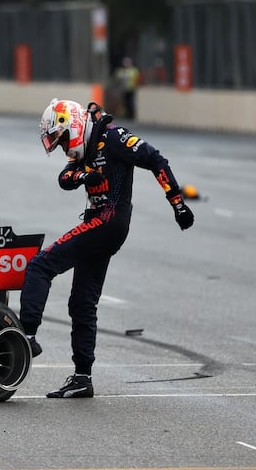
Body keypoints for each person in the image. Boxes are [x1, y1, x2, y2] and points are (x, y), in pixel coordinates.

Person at [22, 98, 194, 398]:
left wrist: (177, 203)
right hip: (101, 224)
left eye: (62, 140)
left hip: (108, 222)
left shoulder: (113, 137)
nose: (63, 147)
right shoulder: (87, 145)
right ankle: (82, 377)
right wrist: (84, 175)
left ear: (72, 125)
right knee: (81, 303)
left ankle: (26, 335)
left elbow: (156, 159)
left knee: (40, 265)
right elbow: (64, 178)